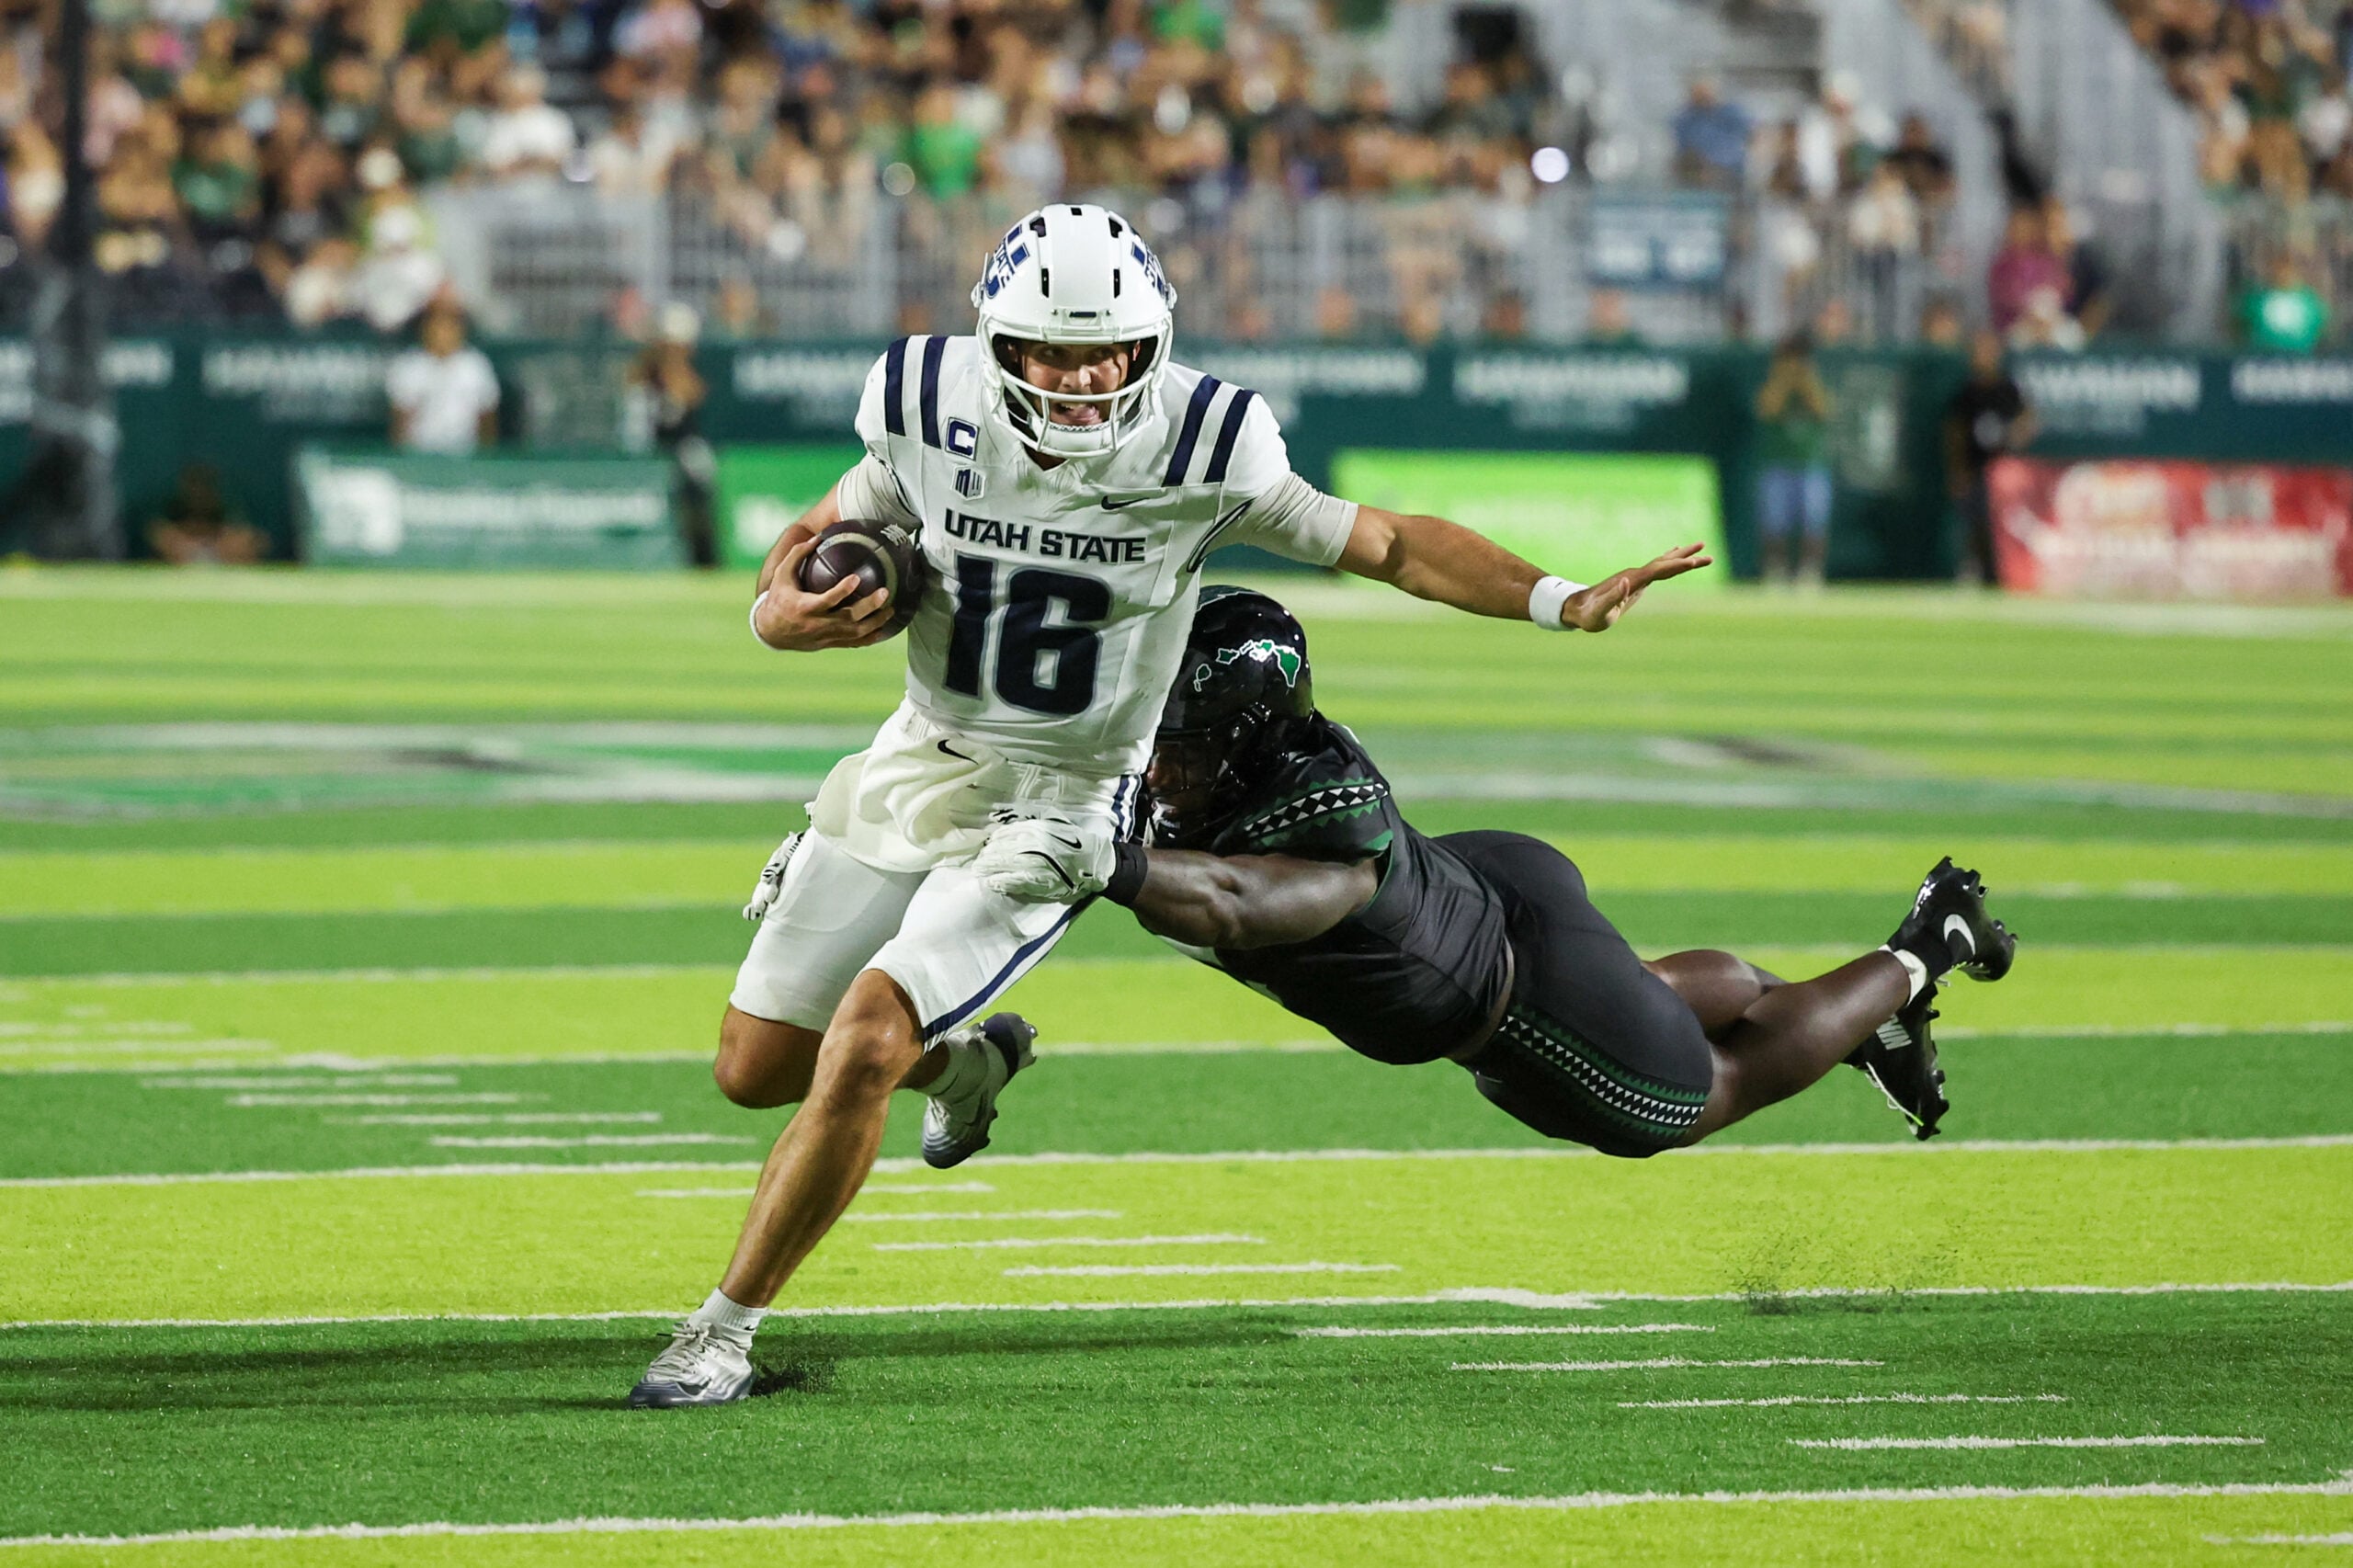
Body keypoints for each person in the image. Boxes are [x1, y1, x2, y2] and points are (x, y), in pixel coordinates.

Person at [628, 202, 1711, 1408]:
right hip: (919, 753)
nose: (1088, 374)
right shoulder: (927, 402)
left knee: (866, 1035)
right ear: (999, 342)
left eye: (1112, 348)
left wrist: (1559, 597)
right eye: (1055, 349)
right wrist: (776, 609)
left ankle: (723, 1329)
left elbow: (1392, 544)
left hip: (1061, 802)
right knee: (757, 1066)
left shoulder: (1206, 442)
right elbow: (829, 528)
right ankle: (968, 1069)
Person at [976, 588, 2016, 1161]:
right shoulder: (1242, 758)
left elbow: (1242, 903)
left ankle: (1928, 946)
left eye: (1185, 744)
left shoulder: (1319, 829)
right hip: (1496, 907)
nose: (1160, 764)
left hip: (1513, 982)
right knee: (1640, 999)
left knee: (1686, 1098)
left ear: (1246, 738)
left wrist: (1105, 859)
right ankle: (1852, 1013)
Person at [1943, 329, 2036, 585]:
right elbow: (1956, 433)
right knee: (1976, 524)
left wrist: (2018, 434)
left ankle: (2004, 574)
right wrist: (1958, 471)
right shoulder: (1967, 392)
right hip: (1976, 469)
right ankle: (1977, 570)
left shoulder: (2008, 388)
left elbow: (2028, 419)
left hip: (2004, 475)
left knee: (2004, 527)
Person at [1753, 332, 1835, 587]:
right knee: (1774, 522)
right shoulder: (1775, 381)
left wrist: (1806, 379)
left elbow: (1824, 410)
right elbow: (1767, 409)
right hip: (1778, 464)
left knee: (1814, 520)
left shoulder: (1813, 381)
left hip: (1811, 463)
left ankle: (1810, 573)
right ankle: (1775, 572)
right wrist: (1784, 378)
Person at [387, 300, 500, 455]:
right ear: (425, 331)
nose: (442, 334)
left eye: (449, 328)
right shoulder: (409, 366)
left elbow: (486, 417)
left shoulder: (476, 365)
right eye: (436, 327)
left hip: (466, 453)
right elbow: (401, 421)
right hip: (420, 453)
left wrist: (485, 456)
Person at [148, 463, 267, 564]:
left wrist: (216, 547)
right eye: (194, 486)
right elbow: (158, 534)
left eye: (204, 486)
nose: (199, 493)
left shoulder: (227, 511)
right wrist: (193, 548)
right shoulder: (173, 511)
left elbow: (257, 540)